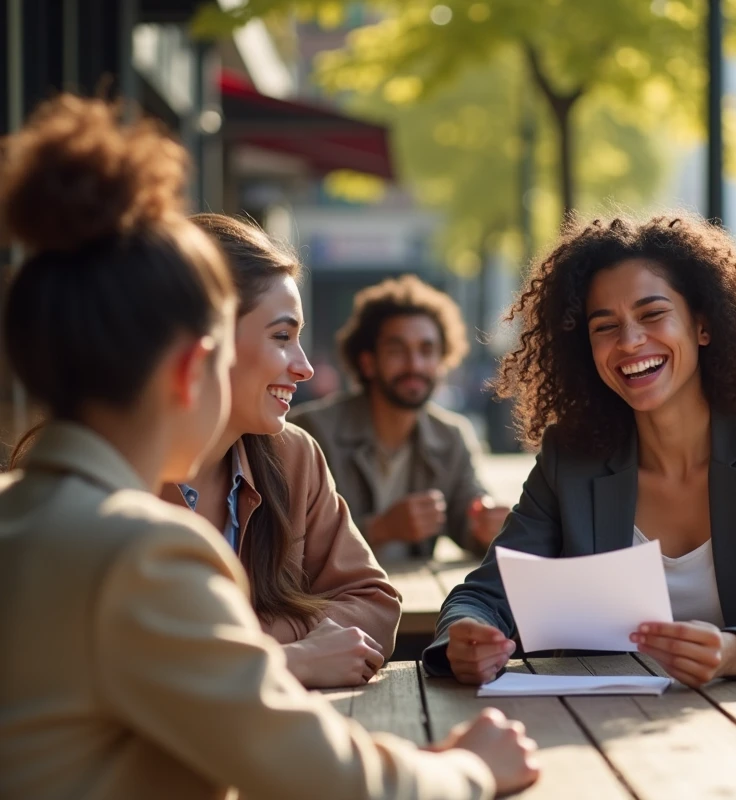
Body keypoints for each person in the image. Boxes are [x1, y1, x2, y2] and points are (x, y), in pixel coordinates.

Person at [0, 94, 538, 799]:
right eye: (276, 338)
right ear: (195, 368)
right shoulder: (139, 554)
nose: (305, 368)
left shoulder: (27, 516)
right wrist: (471, 767)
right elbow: (334, 780)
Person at [423, 213, 736, 688]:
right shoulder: (570, 457)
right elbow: (484, 595)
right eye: (604, 327)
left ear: (703, 325)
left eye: (653, 315)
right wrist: (465, 639)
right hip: (598, 725)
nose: (630, 342)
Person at [158, 213, 400, 689]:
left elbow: (374, 605)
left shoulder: (293, 456)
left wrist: (262, 644)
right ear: (208, 343)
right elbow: (131, 669)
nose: (305, 367)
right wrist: (288, 658)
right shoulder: (109, 476)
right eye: (282, 337)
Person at [292, 276, 509, 560]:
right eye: (397, 350)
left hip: (418, 596)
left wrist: (487, 528)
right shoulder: (309, 433)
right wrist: (380, 529)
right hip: (331, 599)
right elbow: (290, 542)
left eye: (427, 350)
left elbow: (466, 517)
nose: (414, 364)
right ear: (367, 362)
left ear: (442, 361)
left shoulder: (451, 436)